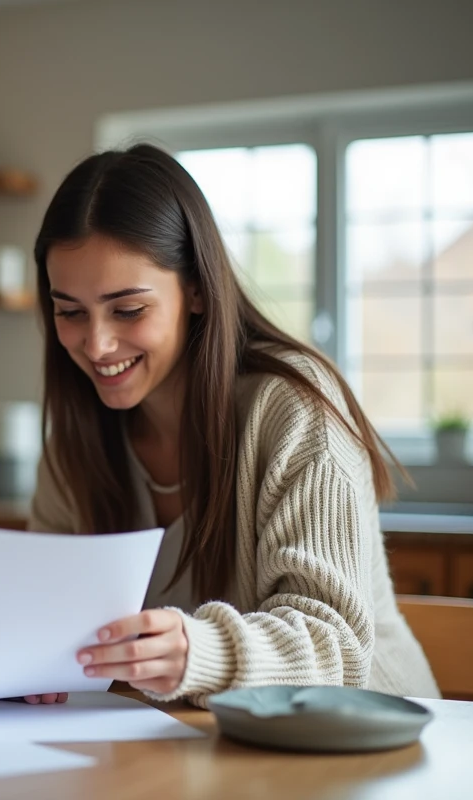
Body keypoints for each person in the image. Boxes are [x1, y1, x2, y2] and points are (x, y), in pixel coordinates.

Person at [29, 143, 440, 705]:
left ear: (195, 289)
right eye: (70, 311)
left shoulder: (294, 408)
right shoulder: (76, 437)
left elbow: (335, 646)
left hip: (363, 749)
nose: (96, 344)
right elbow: (47, 611)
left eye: (128, 309)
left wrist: (198, 651)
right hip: (196, 748)